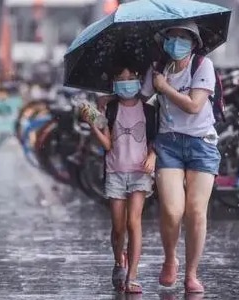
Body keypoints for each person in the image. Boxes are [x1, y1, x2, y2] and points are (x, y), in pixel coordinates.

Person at [140, 20, 221, 294]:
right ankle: (170, 258)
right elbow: (140, 101)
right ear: (164, 42)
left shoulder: (202, 66)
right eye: (171, 37)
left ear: (194, 42)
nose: (176, 43)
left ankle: (191, 273)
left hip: (202, 144)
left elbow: (194, 105)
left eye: (183, 38)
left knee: (196, 212)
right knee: (172, 211)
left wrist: (164, 88)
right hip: (169, 144)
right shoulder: (158, 69)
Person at [81, 62, 157, 294]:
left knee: (134, 222)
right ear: (114, 83)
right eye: (121, 79)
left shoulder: (149, 110)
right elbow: (107, 144)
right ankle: (118, 262)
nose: (127, 83)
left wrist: (153, 156)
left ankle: (132, 276)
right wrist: (93, 125)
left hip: (140, 174)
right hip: (115, 173)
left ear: (138, 79)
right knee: (118, 227)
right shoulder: (109, 109)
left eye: (130, 78)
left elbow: (156, 139)